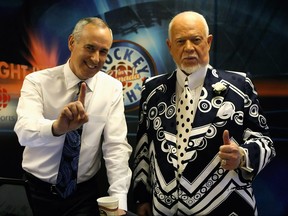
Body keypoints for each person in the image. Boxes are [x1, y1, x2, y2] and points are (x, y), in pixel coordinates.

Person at [132, 11, 276, 216]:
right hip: (164, 210)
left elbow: (265, 141)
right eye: (180, 41)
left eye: (196, 40)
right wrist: (142, 197)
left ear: (208, 42)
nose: (189, 48)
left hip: (227, 208)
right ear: (169, 46)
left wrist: (242, 156)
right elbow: (143, 149)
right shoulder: (152, 90)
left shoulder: (239, 85)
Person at [14, 17, 132, 216]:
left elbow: (116, 147)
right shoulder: (37, 82)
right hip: (35, 193)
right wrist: (56, 128)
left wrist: (119, 201)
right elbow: (24, 132)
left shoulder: (112, 88)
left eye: (103, 52)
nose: (96, 58)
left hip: (83, 196)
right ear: (71, 42)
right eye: (90, 48)